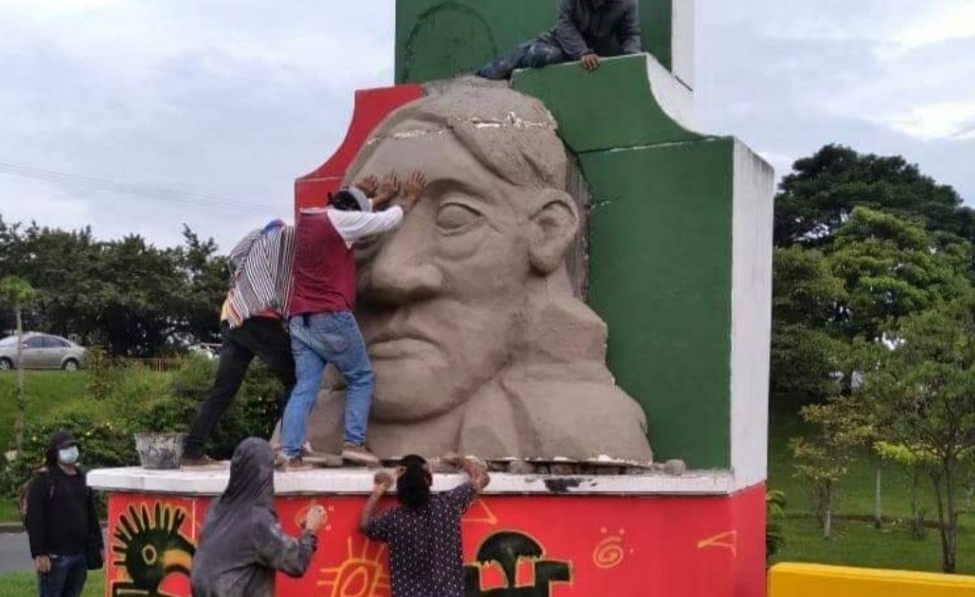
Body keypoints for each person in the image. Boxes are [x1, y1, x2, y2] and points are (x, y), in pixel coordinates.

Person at [303, 82, 652, 465]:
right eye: (366, 233)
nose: (389, 275)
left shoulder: (583, 431)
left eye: (455, 219)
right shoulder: (309, 428)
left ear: (548, 231)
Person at [279, 172, 427, 470]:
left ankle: (289, 452)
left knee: (305, 385)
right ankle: (353, 443)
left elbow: (351, 218)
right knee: (360, 377)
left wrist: (376, 199)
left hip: (300, 319)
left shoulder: (311, 218)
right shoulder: (342, 223)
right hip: (330, 316)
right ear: (352, 212)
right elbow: (384, 222)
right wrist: (406, 202)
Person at [182, 219, 313, 467]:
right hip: (258, 319)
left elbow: (231, 259)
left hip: (233, 318)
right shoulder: (282, 245)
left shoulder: (252, 243)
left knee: (224, 390)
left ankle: (192, 449)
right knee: (299, 376)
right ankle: (291, 442)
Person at [191, 437, 327, 597]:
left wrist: (263, 453)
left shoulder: (217, 507)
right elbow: (296, 562)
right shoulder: (257, 521)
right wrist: (310, 531)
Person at [360, 454, 490, 597]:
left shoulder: (394, 520)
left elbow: (365, 525)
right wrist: (458, 459)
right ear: (428, 478)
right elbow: (481, 478)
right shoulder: (448, 504)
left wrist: (379, 490)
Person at [26, 430, 104, 597]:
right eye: (65, 448)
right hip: (54, 557)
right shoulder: (43, 481)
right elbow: (34, 521)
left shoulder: (81, 478)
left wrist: (98, 545)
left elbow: (91, 514)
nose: (71, 451)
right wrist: (39, 553)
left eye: (73, 446)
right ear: (55, 453)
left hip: (79, 555)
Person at [477, 0, 641, 80]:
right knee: (536, 55)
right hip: (558, 43)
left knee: (544, 56)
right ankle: (480, 76)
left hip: (589, 55)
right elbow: (565, 25)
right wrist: (582, 52)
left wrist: (634, 61)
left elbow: (630, 34)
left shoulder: (627, 3)